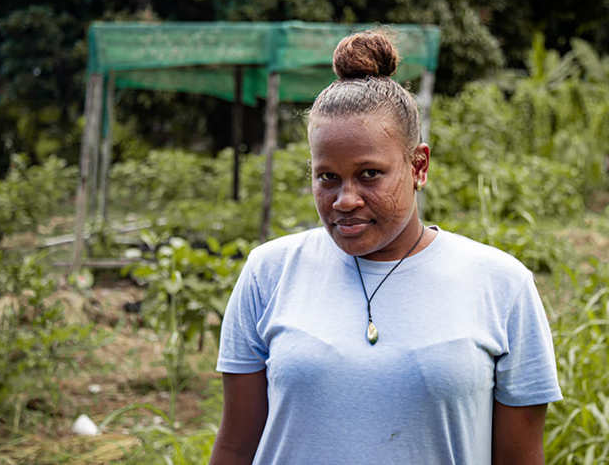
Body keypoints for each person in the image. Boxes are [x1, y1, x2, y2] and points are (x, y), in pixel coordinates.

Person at [210, 31, 562, 465]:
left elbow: (520, 457)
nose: (346, 199)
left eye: (370, 174)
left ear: (418, 166)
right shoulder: (269, 272)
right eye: (327, 177)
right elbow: (235, 447)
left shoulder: (502, 284)